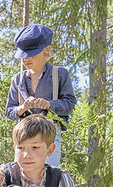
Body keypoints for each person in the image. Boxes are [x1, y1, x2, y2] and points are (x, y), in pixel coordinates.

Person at [5, 23, 77, 168]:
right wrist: (22, 108)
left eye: (31, 54)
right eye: (22, 55)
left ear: (46, 50)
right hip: (24, 136)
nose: (26, 59)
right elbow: (9, 111)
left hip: (49, 135)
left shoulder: (59, 74)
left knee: (47, 177)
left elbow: (70, 104)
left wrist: (50, 104)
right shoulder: (17, 80)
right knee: (23, 178)